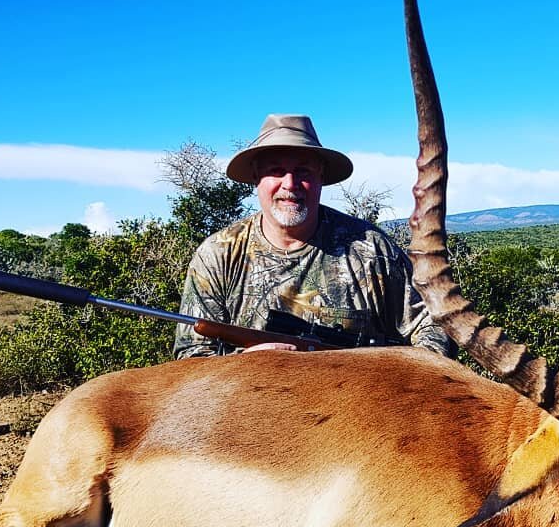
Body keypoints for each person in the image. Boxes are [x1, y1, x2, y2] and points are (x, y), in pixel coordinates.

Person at [173, 114, 452, 358]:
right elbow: (192, 358)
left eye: (303, 171)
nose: (290, 184)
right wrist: (245, 366)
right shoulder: (218, 254)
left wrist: (390, 377)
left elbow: (433, 325)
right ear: (256, 178)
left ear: (321, 177)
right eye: (276, 170)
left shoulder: (370, 248)